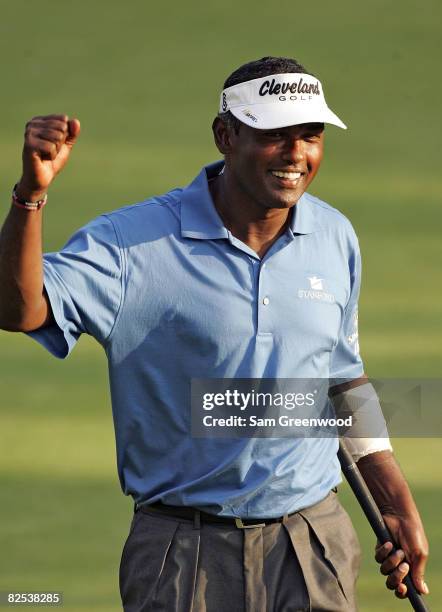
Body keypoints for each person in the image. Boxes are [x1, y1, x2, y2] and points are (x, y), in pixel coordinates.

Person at [0, 56, 429, 611]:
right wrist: (29, 199)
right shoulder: (129, 245)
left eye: (310, 135)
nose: (296, 154)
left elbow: (341, 380)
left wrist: (394, 499)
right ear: (225, 135)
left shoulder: (334, 236)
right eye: (274, 135)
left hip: (313, 540)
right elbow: (19, 309)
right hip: (182, 553)